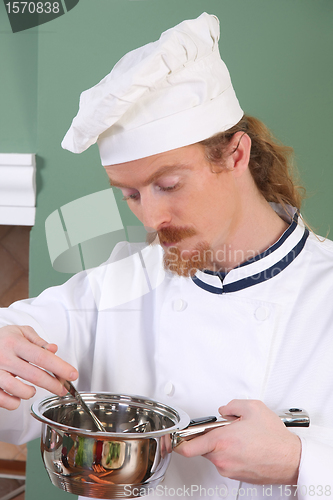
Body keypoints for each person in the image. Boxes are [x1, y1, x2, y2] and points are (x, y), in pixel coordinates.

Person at [0, 12, 333, 500]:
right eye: (130, 195)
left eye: (168, 184)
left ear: (236, 155)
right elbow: (19, 363)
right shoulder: (113, 286)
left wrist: (303, 462)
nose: (151, 218)